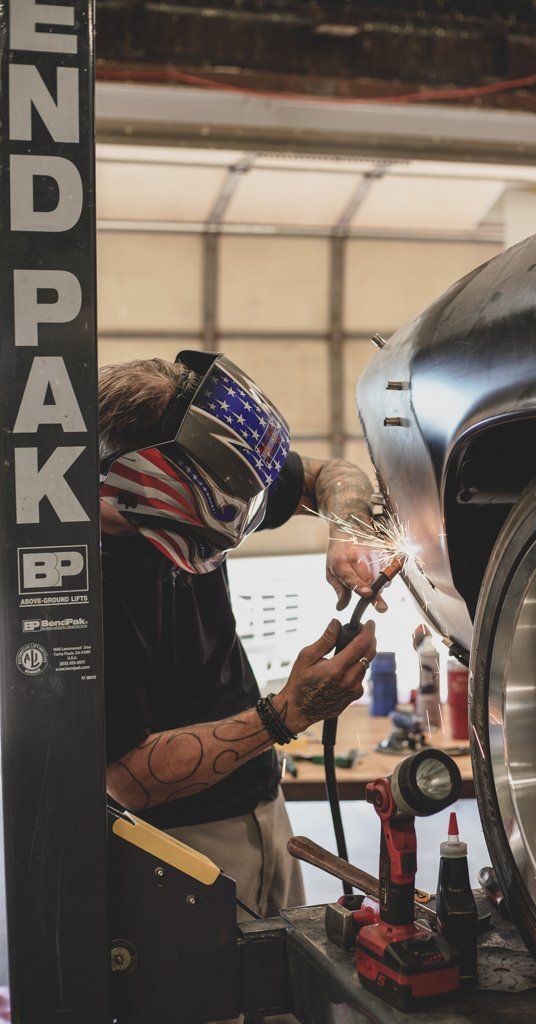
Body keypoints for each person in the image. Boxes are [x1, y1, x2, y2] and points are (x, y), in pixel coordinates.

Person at [99, 349, 385, 918]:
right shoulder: (77, 587)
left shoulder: (202, 471)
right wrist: (287, 713)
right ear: (149, 488)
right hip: (177, 851)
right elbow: (123, 783)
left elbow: (327, 475)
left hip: (265, 808)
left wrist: (346, 527)